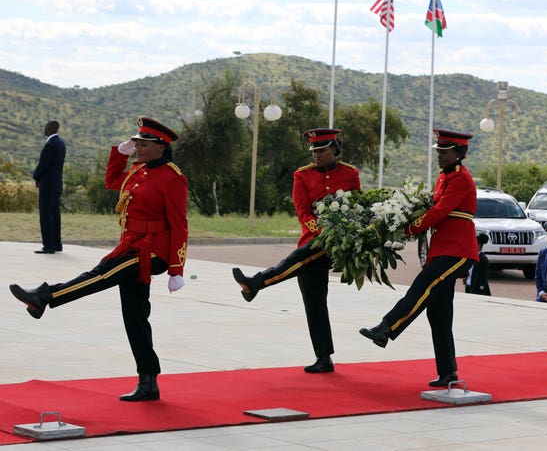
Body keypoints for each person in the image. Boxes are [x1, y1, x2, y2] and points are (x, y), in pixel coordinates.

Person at [10, 117, 188, 401]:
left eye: (143, 144)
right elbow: (111, 182)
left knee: (100, 275)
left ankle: (45, 296)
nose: (138, 148)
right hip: (131, 245)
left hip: (152, 252)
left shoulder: (172, 177)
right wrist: (120, 152)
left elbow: (180, 224)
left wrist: (176, 268)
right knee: (135, 315)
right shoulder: (137, 171)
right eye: (137, 143)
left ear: (160, 147)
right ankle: (148, 381)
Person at [232, 128, 361, 373]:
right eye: (314, 151)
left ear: (334, 149)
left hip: (337, 243)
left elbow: (356, 206)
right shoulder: (302, 176)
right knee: (314, 301)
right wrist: (321, 230)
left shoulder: (350, 174)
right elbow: (303, 212)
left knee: (297, 262)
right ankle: (324, 358)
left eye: (322, 150)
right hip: (312, 239)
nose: (316, 155)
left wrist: (337, 232)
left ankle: (257, 283)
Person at [359, 128, 478, 388]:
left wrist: (406, 229)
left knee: (420, 289)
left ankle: (386, 329)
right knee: (439, 314)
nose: (439, 156)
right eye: (438, 151)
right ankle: (448, 372)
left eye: (444, 152)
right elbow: (434, 209)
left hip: (458, 250)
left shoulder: (460, 178)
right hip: (442, 248)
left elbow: (439, 212)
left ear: (459, 153)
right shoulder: (443, 177)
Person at [33, 120, 66, 254]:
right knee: (55, 215)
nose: (44, 129)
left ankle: (48, 246)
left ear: (51, 128)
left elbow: (43, 165)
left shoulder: (50, 145)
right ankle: (57, 244)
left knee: (46, 216)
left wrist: (36, 176)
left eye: (46, 126)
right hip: (57, 184)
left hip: (47, 185)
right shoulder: (61, 143)